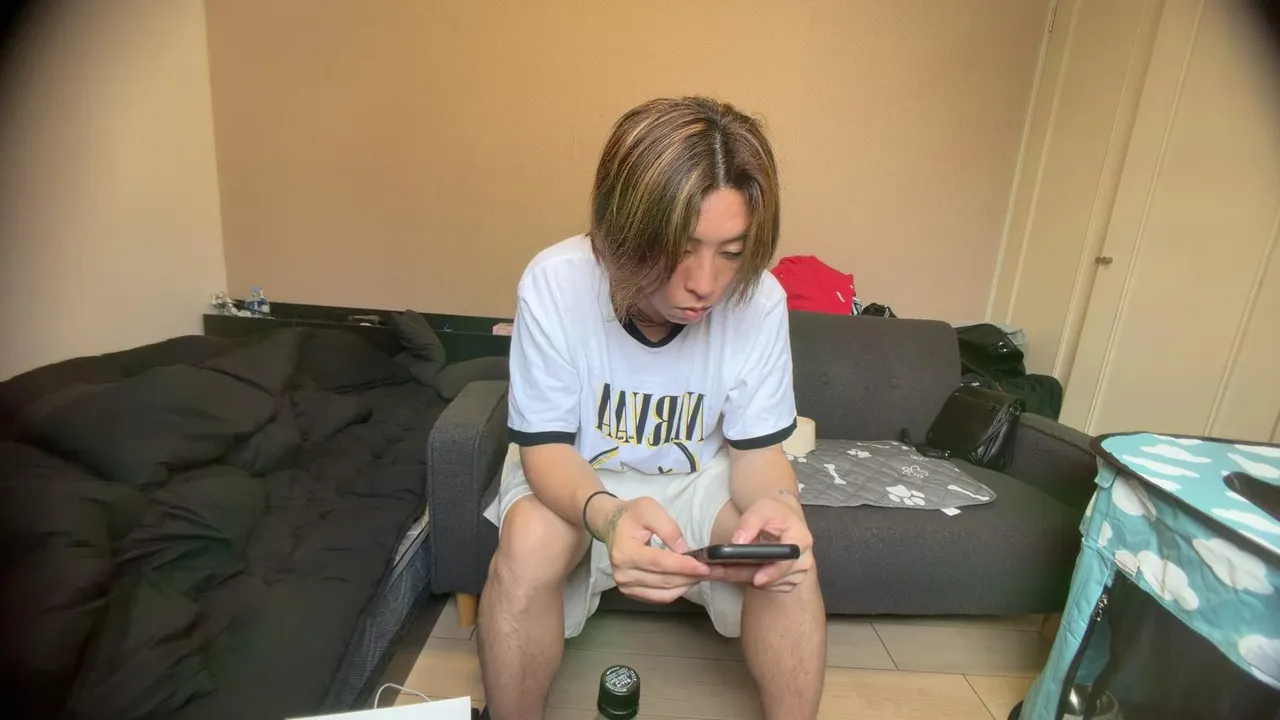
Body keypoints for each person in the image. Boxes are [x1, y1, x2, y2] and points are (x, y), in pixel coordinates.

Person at [477, 96, 826, 720]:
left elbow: (757, 456)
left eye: (730, 251)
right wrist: (609, 516)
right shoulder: (556, 281)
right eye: (681, 249)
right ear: (621, 233)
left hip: (696, 477)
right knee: (528, 542)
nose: (705, 284)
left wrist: (782, 507)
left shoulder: (760, 300)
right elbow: (546, 449)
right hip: (578, 472)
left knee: (783, 554)